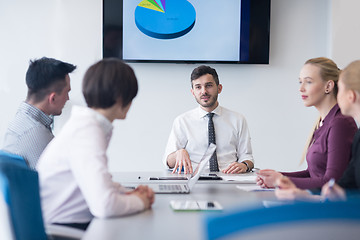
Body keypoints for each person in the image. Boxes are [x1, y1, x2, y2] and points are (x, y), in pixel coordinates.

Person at [37, 59, 155, 230]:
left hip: (71, 224)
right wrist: (140, 201)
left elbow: (96, 181)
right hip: (64, 231)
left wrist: (126, 193)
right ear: (121, 97)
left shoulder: (87, 126)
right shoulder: (87, 132)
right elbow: (104, 205)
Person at [257, 57, 357, 189]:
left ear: (328, 86)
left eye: (308, 82)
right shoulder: (324, 122)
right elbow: (312, 174)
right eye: (300, 82)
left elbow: (331, 183)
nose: (301, 88)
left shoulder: (340, 123)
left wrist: (279, 181)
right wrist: (276, 176)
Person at [163, 65, 254, 174]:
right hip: (195, 179)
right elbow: (167, 162)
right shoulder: (182, 121)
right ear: (193, 92)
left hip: (229, 178)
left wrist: (244, 165)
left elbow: (247, 157)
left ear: (219, 88)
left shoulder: (238, 119)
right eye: (198, 87)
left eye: (209, 85)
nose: (204, 91)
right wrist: (178, 154)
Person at [2, 57, 76, 169]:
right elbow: (62, 182)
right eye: (67, 92)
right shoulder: (36, 133)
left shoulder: (23, 119)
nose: (68, 98)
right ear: (53, 98)